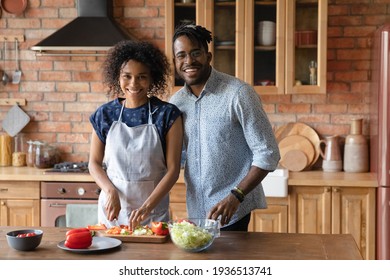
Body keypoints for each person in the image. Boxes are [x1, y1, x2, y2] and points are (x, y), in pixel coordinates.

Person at [169, 23, 280, 231]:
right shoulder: (176, 103)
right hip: (197, 213)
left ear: (208, 56)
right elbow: (179, 156)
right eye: (181, 55)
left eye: (195, 53)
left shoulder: (238, 94)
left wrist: (235, 196)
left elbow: (268, 153)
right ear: (175, 61)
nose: (189, 61)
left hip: (233, 210)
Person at [89, 40, 183, 229]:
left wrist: (147, 207)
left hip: (152, 213)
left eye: (141, 77)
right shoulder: (105, 114)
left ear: (152, 79)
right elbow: (94, 163)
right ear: (118, 77)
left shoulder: (167, 114)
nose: (133, 84)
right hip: (112, 212)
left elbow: (173, 171)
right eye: (127, 76)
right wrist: (110, 191)